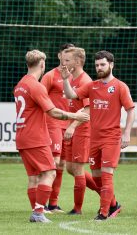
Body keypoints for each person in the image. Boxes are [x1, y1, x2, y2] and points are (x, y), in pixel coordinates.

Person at [14, 49, 89, 223]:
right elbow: (53, 111)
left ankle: (36, 210)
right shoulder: (36, 86)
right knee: (50, 173)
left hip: (22, 136)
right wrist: (75, 116)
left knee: (34, 177)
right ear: (42, 64)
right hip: (35, 137)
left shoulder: (20, 84)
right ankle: (39, 212)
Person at [62, 50, 135, 221]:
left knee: (106, 174)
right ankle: (114, 205)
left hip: (111, 138)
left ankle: (103, 213)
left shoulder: (120, 86)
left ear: (111, 65)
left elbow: (130, 110)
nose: (99, 68)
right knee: (96, 177)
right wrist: (65, 79)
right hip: (95, 139)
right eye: (96, 65)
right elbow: (72, 95)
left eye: (102, 64)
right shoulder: (92, 85)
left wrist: (127, 133)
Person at [60, 47, 100, 215]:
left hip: (82, 130)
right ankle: (106, 195)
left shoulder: (85, 81)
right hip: (74, 129)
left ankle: (77, 209)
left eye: (67, 60)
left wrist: (72, 126)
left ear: (77, 62)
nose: (63, 63)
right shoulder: (71, 78)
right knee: (70, 168)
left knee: (77, 169)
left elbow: (88, 110)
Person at [40, 43, 75, 213]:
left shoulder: (78, 76)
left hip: (69, 125)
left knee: (62, 165)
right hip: (53, 123)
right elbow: (39, 97)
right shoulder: (50, 76)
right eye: (65, 54)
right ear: (59, 55)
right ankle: (43, 203)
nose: (67, 58)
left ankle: (53, 204)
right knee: (52, 163)